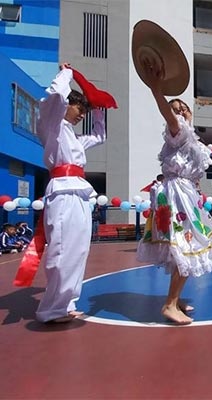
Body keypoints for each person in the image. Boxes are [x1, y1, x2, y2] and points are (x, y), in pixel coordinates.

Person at [18, 63, 108, 323]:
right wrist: (68, 72)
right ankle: (50, 309)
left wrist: (99, 111)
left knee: (79, 249)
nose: (82, 115)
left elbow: (99, 136)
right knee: (61, 248)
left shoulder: (75, 139)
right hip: (62, 192)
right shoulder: (51, 126)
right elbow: (56, 95)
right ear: (67, 105)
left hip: (79, 194)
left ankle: (66, 302)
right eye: (80, 109)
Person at [136, 61, 212, 325]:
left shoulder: (188, 137)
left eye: (183, 106)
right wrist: (156, 90)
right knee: (189, 244)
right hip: (178, 193)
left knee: (181, 247)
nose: (181, 110)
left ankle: (176, 298)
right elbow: (168, 113)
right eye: (176, 109)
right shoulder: (178, 131)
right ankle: (170, 304)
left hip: (184, 192)